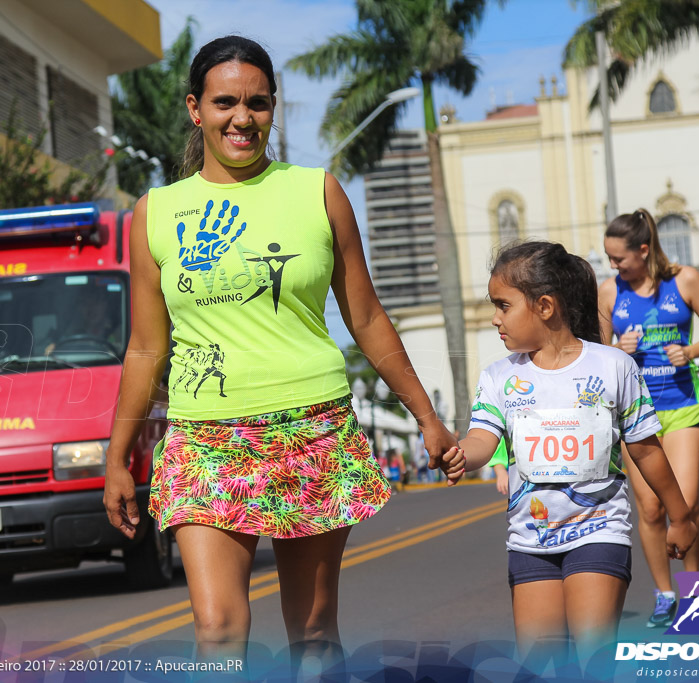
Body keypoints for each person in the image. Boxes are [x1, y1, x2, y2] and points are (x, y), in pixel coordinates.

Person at [101, 36, 458, 674]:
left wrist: (426, 415)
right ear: (195, 108)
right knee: (216, 632)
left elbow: (367, 317)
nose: (243, 118)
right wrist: (118, 457)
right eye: (225, 102)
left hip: (312, 428)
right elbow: (146, 347)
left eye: (258, 103)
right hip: (206, 436)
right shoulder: (156, 213)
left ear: (273, 107)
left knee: (315, 631)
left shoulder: (317, 193)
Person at [434, 241, 697, 664]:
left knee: (592, 662)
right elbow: (484, 437)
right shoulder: (500, 377)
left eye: (503, 306)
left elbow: (646, 449)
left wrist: (680, 516)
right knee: (539, 667)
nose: (495, 318)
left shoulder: (613, 366)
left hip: (599, 531)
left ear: (544, 306)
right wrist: (461, 453)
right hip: (530, 541)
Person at [599, 209, 699, 628]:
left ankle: (697, 594)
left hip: (683, 407)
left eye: (619, 258)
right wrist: (619, 346)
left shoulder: (684, 279)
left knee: (685, 505)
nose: (613, 266)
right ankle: (664, 594)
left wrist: (690, 351)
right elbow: (597, 355)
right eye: (609, 258)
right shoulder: (608, 291)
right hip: (636, 412)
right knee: (651, 509)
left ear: (643, 249)